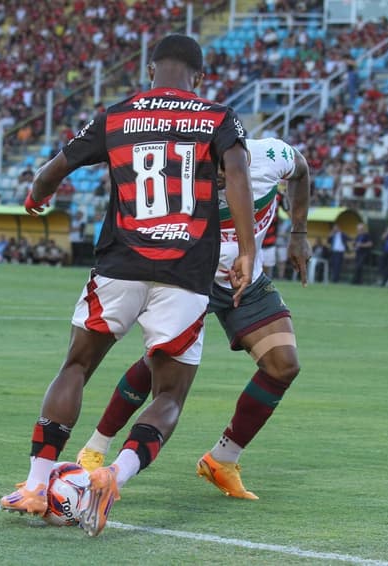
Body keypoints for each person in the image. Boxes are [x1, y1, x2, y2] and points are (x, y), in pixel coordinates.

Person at [0, 34, 256, 536]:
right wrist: (247, 250)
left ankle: (35, 484)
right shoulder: (218, 117)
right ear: (198, 77)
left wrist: (38, 193)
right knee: (169, 396)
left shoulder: (118, 115)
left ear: (151, 70)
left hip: (119, 264)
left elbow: (56, 169)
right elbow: (238, 172)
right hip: (185, 273)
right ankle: (115, 474)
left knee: (76, 366)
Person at [75, 138, 310, 500]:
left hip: (245, 281)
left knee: (284, 365)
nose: (214, 180)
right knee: (159, 364)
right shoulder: (181, 170)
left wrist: (298, 233)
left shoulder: (274, 155)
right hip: (189, 281)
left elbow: (302, 171)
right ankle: (95, 447)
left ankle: (222, 459)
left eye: (220, 173)